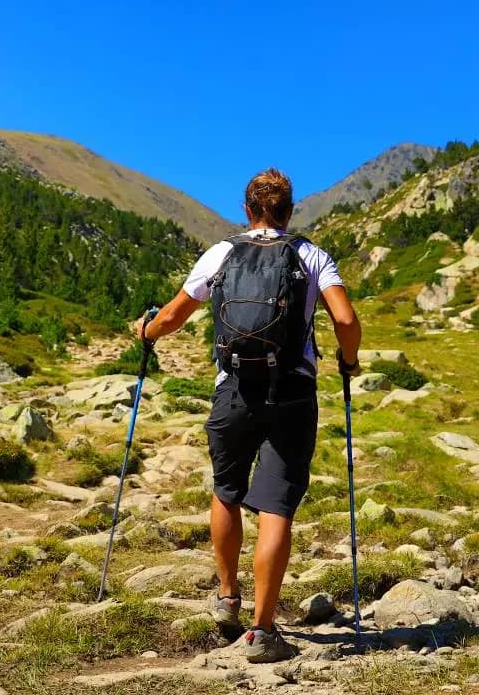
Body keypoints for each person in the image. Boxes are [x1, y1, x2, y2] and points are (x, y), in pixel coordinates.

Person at [140, 168, 362, 663]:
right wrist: (349, 361)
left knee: (227, 490)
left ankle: (227, 597)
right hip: (293, 393)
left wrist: (145, 333)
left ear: (247, 209)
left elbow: (172, 316)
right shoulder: (312, 256)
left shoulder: (221, 253)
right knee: (276, 506)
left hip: (234, 389)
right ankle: (262, 631)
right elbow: (345, 320)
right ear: (289, 211)